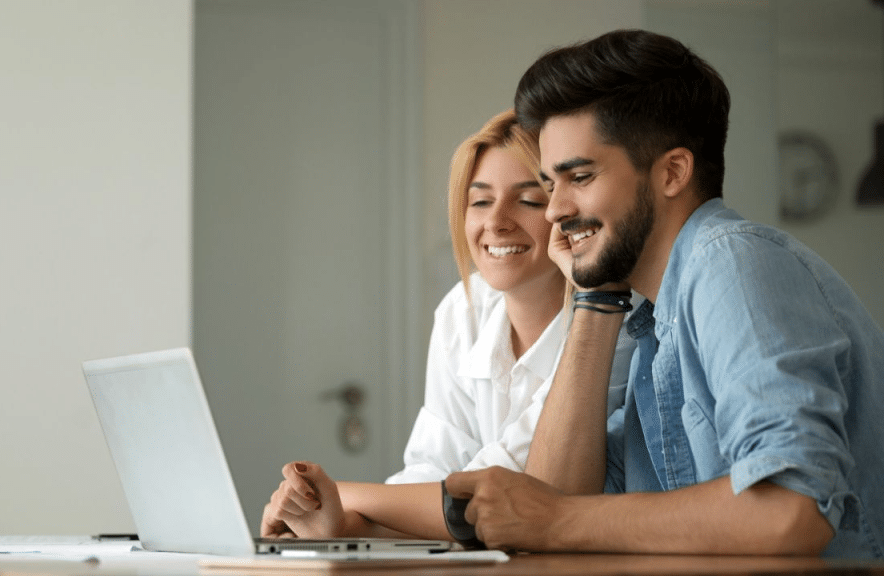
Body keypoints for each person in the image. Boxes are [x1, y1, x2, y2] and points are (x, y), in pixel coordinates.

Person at [445, 29, 884, 558]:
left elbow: (793, 507)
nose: (556, 211)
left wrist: (557, 518)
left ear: (673, 172)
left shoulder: (731, 265)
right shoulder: (652, 315)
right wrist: (595, 296)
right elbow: (554, 501)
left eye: (578, 176)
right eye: (551, 185)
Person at [260, 110, 636, 541]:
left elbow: (508, 492)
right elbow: (433, 471)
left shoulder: (613, 327)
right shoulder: (464, 309)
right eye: (479, 201)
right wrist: (337, 524)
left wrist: (345, 498)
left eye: (528, 200)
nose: (496, 222)